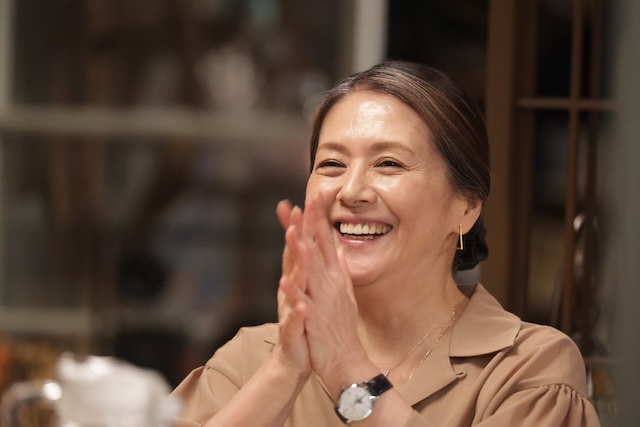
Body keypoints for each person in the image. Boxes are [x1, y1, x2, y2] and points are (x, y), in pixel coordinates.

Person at [171, 61, 601, 426]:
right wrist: (283, 372)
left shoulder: (528, 367)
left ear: (466, 207)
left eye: (389, 163)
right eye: (332, 164)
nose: (351, 190)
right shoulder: (251, 359)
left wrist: (347, 368)